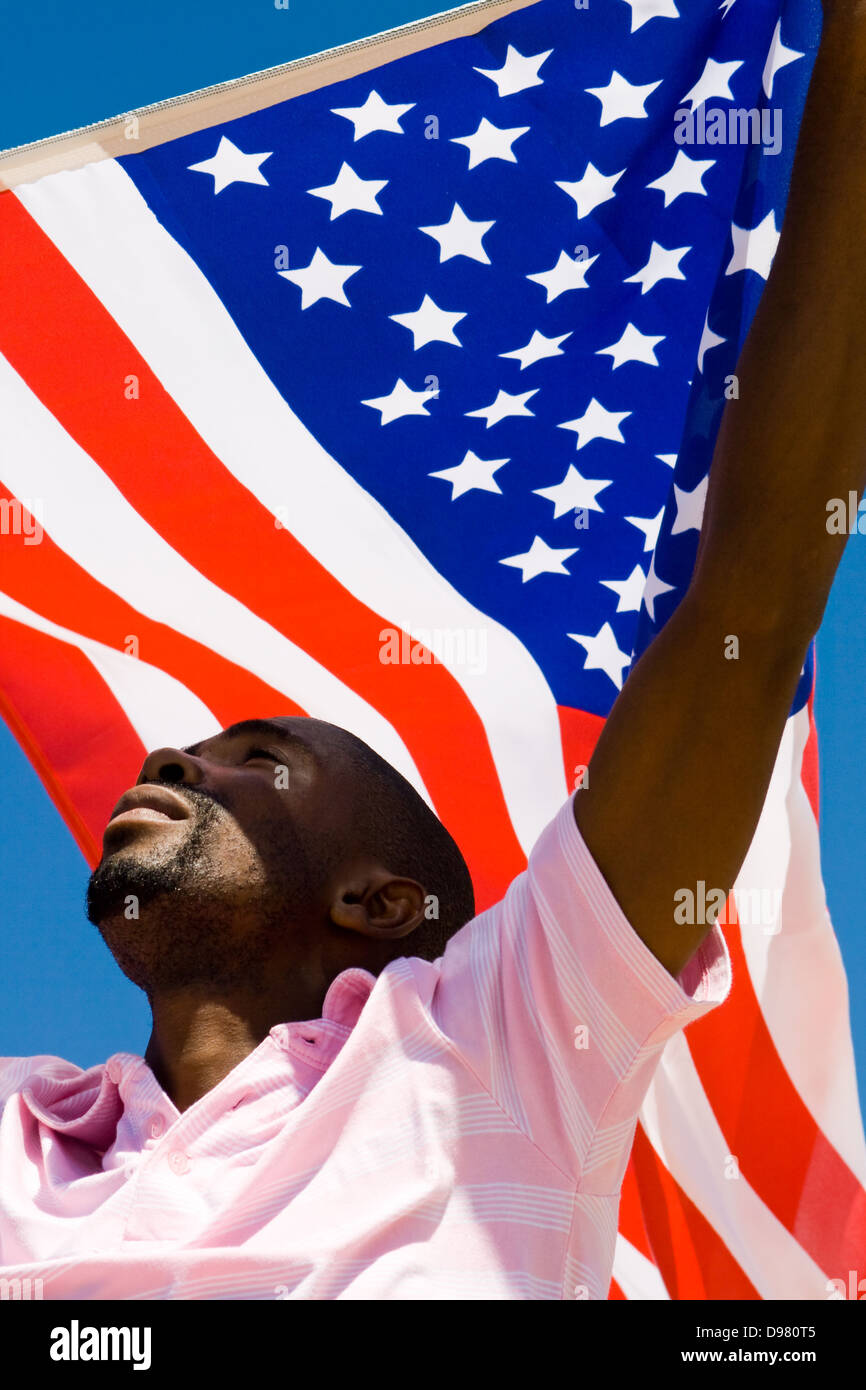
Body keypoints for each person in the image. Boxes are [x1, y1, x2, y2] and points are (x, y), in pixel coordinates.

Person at [2, 0, 865, 1300]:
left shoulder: (496, 1044)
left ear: (381, 903)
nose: (178, 749)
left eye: (258, 755)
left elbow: (744, 621)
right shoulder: (23, 1141)